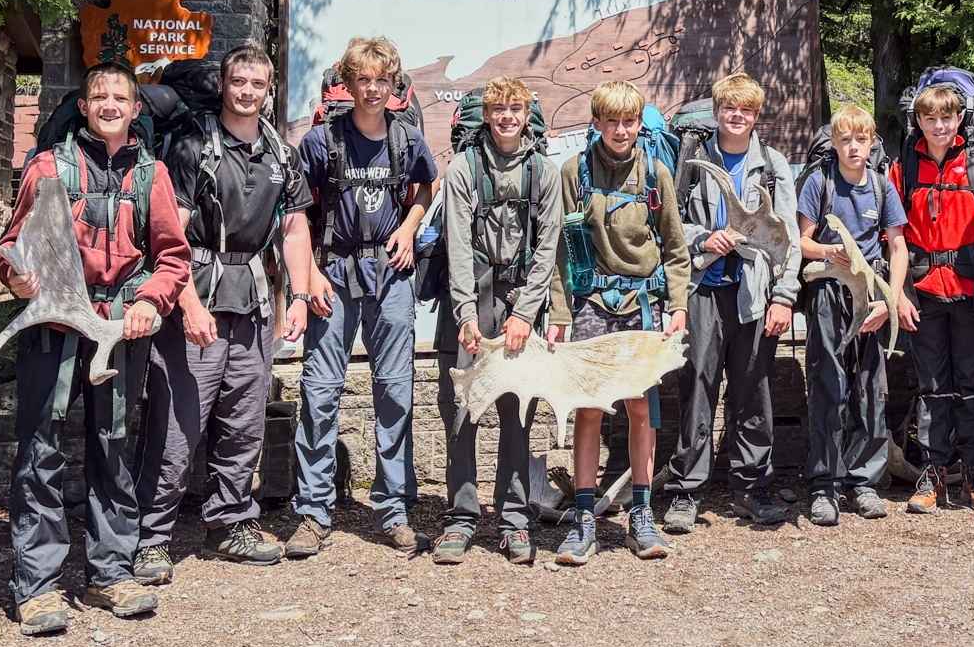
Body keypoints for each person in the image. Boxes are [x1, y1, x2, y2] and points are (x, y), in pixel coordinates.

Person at [0, 60, 189, 636]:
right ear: (83, 107)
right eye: (98, 95)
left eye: (120, 98)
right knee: (41, 448)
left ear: (135, 110)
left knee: (113, 446)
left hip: (116, 330)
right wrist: (18, 277)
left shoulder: (152, 176)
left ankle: (109, 573)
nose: (109, 104)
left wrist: (152, 303)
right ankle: (37, 586)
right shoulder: (46, 169)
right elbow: (13, 246)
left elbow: (173, 256)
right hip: (53, 327)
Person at [132, 45, 314, 585]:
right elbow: (170, 235)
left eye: (258, 84)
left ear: (269, 90)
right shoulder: (193, 145)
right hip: (200, 293)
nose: (248, 91)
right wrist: (185, 303)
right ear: (225, 84)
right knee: (178, 422)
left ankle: (230, 521)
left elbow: (295, 228)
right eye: (239, 81)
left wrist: (299, 298)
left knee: (243, 418)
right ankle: (152, 536)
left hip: (253, 299)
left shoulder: (282, 153)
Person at [287, 36, 438, 557]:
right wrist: (307, 278)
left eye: (381, 80)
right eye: (362, 80)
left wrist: (410, 227)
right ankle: (312, 510)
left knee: (395, 391)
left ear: (392, 85)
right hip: (333, 271)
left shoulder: (407, 138)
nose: (372, 89)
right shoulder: (321, 142)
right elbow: (298, 214)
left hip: (391, 273)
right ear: (347, 85)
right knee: (320, 391)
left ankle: (393, 508)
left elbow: (424, 188)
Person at [547, 80, 690, 564]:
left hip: (641, 307)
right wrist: (561, 314)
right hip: (591, 306)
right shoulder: (574, 172)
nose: (621, 130)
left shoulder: (655, 174)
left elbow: (674, 247)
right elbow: (562, 252)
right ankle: (585, 517)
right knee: (589, 409)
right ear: (597, 123)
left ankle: (642, 516)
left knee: (640, 410)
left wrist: (678, 306)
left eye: (629, 121)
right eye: (612, 121)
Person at [433, 78, 564, 566]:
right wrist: (465, 313)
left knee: (517, 414)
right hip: (471, 297)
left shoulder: (543, 173)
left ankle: (514, 520)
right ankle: (461, 517)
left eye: (516, 108)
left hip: (519, 303)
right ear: (485, 115)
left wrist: (525, 314)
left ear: (527, 114)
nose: (508, 116)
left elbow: (547, 247)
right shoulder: (464, 168)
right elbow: (458, 243)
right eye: (499, 109)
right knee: (462, 411)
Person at [666, 74, 803, 531]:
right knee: (697, 388)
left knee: (752, 391)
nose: (737, 116)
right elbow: (671, 228)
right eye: (729, 108)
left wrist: (784, 296)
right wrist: (706, 237)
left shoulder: (773, 164)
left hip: (754, 293)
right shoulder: (693, 160)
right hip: (704, 287)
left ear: (756, 115)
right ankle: (686, 491)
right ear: (717, 110)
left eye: (746, 110)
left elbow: (789, 237)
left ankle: (751, 488)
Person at [796, 103, 908, 526]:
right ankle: (825, 485)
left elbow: (897, 247)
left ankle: (864, 482)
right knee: (828, 384)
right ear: (835, 143)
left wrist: (890, 300)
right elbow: (802, 242)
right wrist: (833, 253)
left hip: (873, 297)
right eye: (845, 140)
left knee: (869, 387)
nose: (854, 147)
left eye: (861, 140)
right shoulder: (818, 183)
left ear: (871, 142)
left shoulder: (881, 188)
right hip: (829, 292)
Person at [890, 84, 974, 514]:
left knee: (970, 388)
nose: (939, 126)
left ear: (959, 120)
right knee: (932, 388)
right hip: (922, 292)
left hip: (972, 292)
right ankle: (931, 476)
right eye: (930, 118)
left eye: (947, 118)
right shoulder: (902, 170)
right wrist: (897, 293)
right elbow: (893, 238)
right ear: (918, 121)